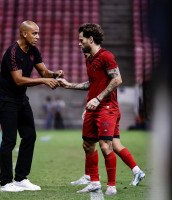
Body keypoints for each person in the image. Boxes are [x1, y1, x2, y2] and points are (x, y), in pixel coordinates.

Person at [0, 20, 63, 192]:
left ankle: (20, 178)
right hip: (6, 100)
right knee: (9, 140)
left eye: (38, 33)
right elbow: (18, 80)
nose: (38, 37)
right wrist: (44, 81)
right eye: (35, 33)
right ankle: (5, 183)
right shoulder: (12, 53)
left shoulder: (33, 50)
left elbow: (44, 71)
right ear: (24, 33)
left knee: (30, 136)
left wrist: (53, 74)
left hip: (20, 99)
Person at [58, 23, 123, 195]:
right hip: (92, 107)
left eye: (81, 40)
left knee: (105, 145)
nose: (79, 43)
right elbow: (91, 84)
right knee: (87, 144)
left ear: (91, 39)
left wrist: (98, 98)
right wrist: (69, 85)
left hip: (107, 107)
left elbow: (117, 80)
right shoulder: (89, 59)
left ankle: (111, 186)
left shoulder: (107, 56)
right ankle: (94, 182)